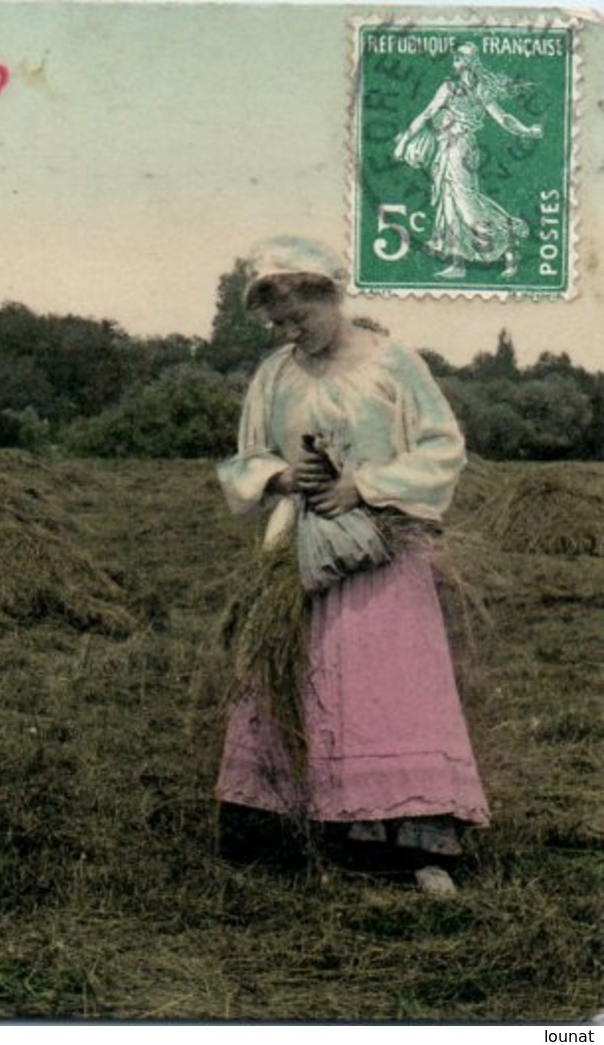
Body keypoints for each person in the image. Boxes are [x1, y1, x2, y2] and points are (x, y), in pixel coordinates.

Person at [215, 236, 489, 893]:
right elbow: (245, 457)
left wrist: (361, 486)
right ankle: (300, 827)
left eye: (296, 317)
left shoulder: (392, 363)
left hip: (381, 555)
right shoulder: (274, 373)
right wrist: (284, 475)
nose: (286, 331)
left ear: (328, 296)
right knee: (293, 678)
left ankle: (412, 840)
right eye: (275, 323)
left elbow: (441, 445)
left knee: (386, 685)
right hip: (300, 559)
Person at [393, 43, 543, 279]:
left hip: (460, 148)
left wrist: (526, 130)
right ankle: (458, 263)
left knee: (467, 206)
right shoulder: (449, 86)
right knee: (450, 204)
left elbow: (502, 118)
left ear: (472, 61)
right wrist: (404, 142)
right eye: (455, 55)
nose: (455, 59)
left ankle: (509, 237)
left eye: (460, 56)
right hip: (448, 148)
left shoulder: (478, 89)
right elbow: (427, 113)